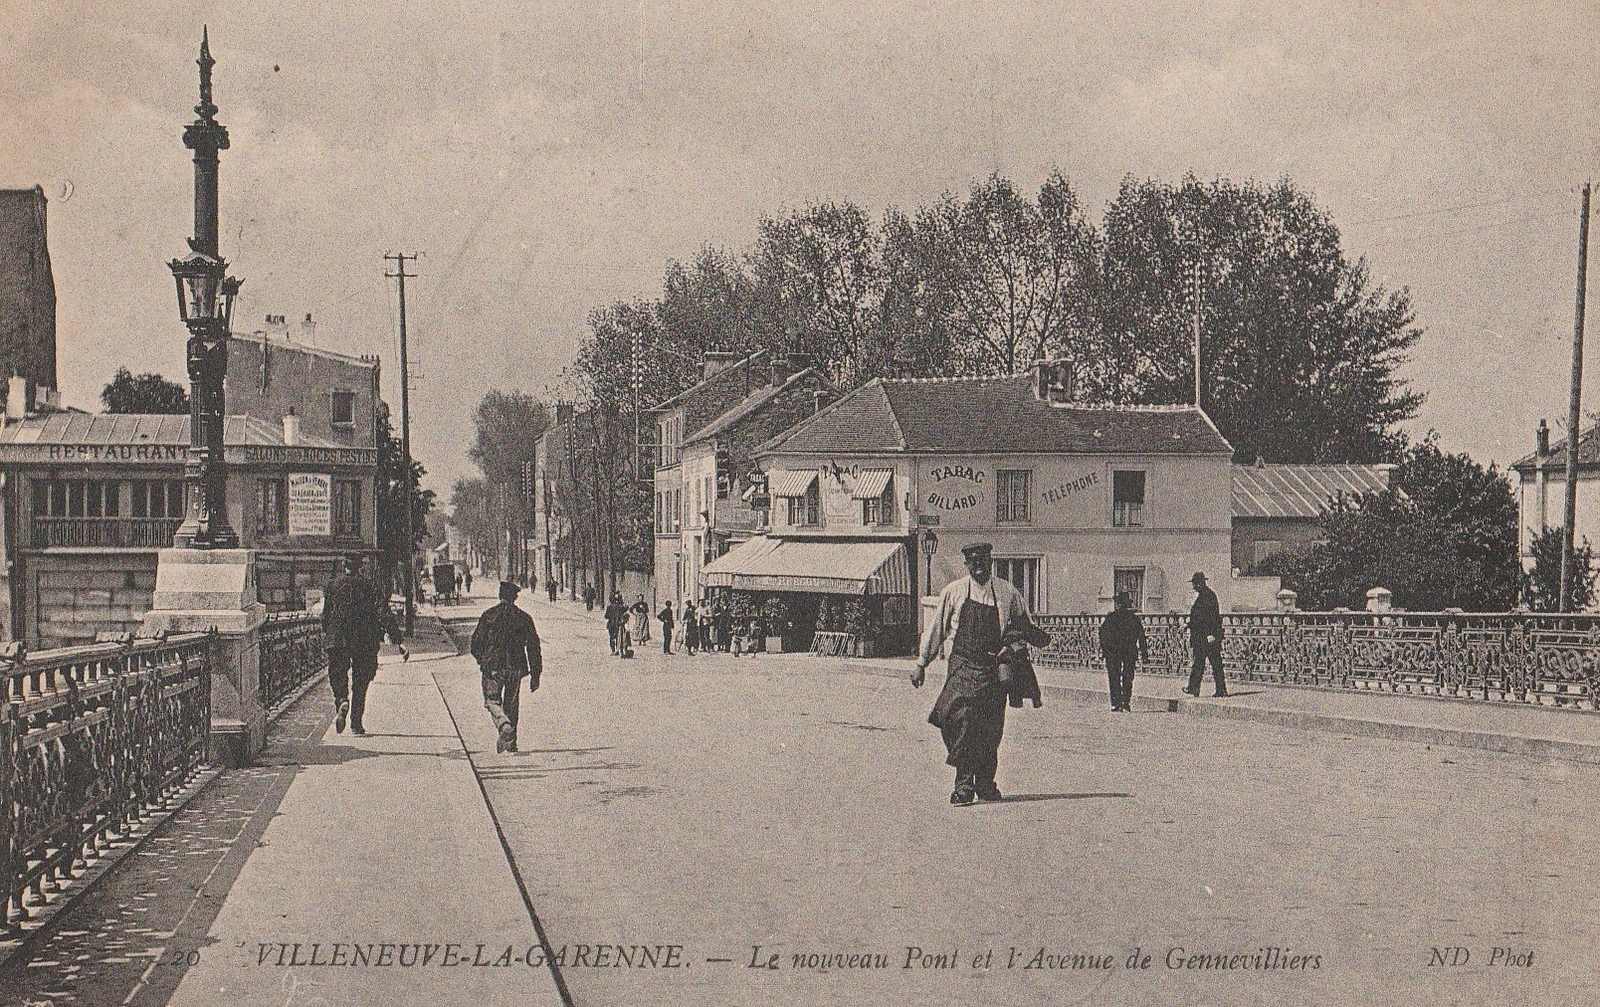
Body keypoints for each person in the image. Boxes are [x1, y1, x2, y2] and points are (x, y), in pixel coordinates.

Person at [911, 542, 1030, 805]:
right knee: (960, 720)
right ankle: (963, 784)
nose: (979, 566)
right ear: (966, 565)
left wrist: (1011, 646)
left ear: (991, 561)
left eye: (983, 560)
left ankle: (985, 783)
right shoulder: (953, 592)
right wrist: (921, 663)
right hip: (963, 666)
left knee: (990, 728)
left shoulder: (1007, 592)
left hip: (993, 670)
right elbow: (937, 630)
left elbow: (1023, 627)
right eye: (973, 561)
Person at [469, 581, 543, 753]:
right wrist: (535, 675)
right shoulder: (524, 618)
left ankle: (503, 724)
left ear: (500, 596)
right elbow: (533, 647)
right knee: (512, 704)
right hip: (515, 668)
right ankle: (510, 744)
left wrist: (483, 661)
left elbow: (475, 643)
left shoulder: (489, 615)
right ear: (515, 597)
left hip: (493, 667)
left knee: (492, 700)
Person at [322, 555, 391, 737]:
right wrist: (393, 637)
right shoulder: (368, 586)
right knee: (361, 681)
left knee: (337, 674)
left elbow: (326, 616)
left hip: (338, 638)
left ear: (344, 565)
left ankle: (342, 700)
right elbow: (380, 612)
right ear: (360, 567)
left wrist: (327, 632)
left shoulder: (332, 585)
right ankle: (356, 724)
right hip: (363, 639)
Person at [1099, 592, 1149, 712]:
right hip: (1129, 651)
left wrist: (1104, 651)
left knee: (1114, 677)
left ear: (1118, 604)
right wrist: (1144, 655)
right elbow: (1141, 637)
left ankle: (1116, 703)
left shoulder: (1111, 617)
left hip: (1113, 652)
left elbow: (1102, 635)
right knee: (1128, 677)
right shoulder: (1134, 618)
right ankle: (1125, 702)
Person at [1184, 572, 1228, 698]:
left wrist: (1211, 634)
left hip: (1208, 637)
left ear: (1200, 583)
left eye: (1194, 583)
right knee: (1199, 663)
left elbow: (1212, 617)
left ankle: (1221, 689)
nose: (1193, 586)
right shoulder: (1203, 596)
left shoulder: (1209, 596)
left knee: (1215, 663)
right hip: (1201, 637)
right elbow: (1198, 618)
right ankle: (1194, 688)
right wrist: (1189, 625)